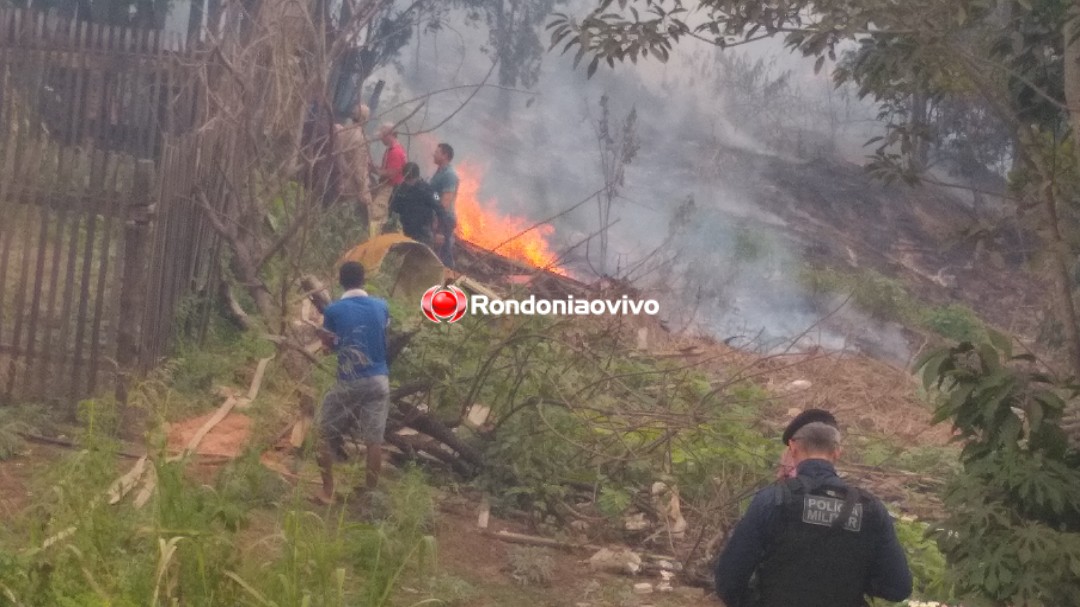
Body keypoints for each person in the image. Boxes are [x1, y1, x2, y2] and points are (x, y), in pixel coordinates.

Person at [714, 422, 912, 607]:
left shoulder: (772, 500)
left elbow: (729, 581)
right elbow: (898, 588)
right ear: (837, 452)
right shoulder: (871, 508)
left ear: (792, 448)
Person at [315, 261, 391, 505]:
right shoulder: (382, 306)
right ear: (363, 280)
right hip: (379, 379)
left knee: (321, 433)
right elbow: (380, 336)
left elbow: (330, 348)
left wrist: (328, 344)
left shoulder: (333, 311)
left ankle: (327, 492)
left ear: (340, 281)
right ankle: (370, 497)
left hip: (350, 380)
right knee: (373, 440)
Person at [386, 162, 453, 249]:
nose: (408, 182)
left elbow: (440, 208)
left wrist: (440, 231)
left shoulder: (429, 190)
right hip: (403, 230)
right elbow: (391, 208)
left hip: (422, 233)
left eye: (410, 180)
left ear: (416, 177)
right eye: (406, 179)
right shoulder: (399, 189)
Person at [333, 102, 373, 220]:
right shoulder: (361, 140)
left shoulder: (342, 130)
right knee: (342, 217)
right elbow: (359, 168)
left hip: (335, 176)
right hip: (349, 184)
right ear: (365, 119)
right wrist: (363, 190)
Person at [777, 408, 838, 480]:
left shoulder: (794, 449)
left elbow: (781, 473)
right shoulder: (788, 451)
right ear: (836, 453)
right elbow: (781, 472)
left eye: (792, 418)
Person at [369, 123, 407, 235]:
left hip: (389, 188)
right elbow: (387, 168)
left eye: (382, 136)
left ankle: (374, 240)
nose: (381, 139)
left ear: (389, 135)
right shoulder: (392, 149)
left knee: (376, 213)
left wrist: (374, 170)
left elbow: (391, 173)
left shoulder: (395, 152)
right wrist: (374, 167)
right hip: (388, 187)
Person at [429, 142, 459, 268]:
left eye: (437, 152)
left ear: (445, 155)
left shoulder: (449, 175)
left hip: (444, 219)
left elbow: (445, 203)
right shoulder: (440, 172)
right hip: (437, 216)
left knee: (444, 255)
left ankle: (448, 281)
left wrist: (439, 225)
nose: (433, 154)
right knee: (436, 252)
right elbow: (436, 195)